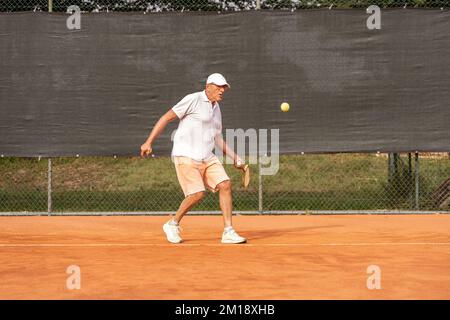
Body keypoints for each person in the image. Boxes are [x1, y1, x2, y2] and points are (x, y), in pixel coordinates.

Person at [140, 73, 247, 244]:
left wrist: (235, 158)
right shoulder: (193, 99)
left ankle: (228, 231)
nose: (222, 90)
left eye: (224, 87)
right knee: (197, 194)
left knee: (225, 184)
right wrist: (148, 142)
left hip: (207, 155)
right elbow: (166, 117)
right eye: (219, 87)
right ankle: (172, 224)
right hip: (186, 154)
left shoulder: (216, 108)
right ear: (208, 86)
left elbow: (217, 137)